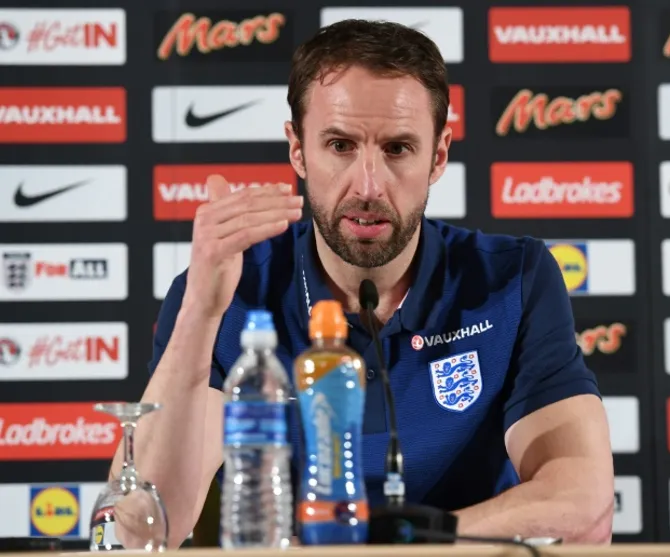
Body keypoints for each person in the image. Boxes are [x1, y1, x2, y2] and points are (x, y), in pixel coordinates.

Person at [109, 19, 614, 548]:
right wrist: (200, 312)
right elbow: (146, 527)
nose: (368, 185)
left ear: (439, 155)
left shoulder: (512, 278)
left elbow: (585, 506)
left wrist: (409, 543)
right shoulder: (228, 288)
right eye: (340, 145)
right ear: (298, 150)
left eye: (397, 148)